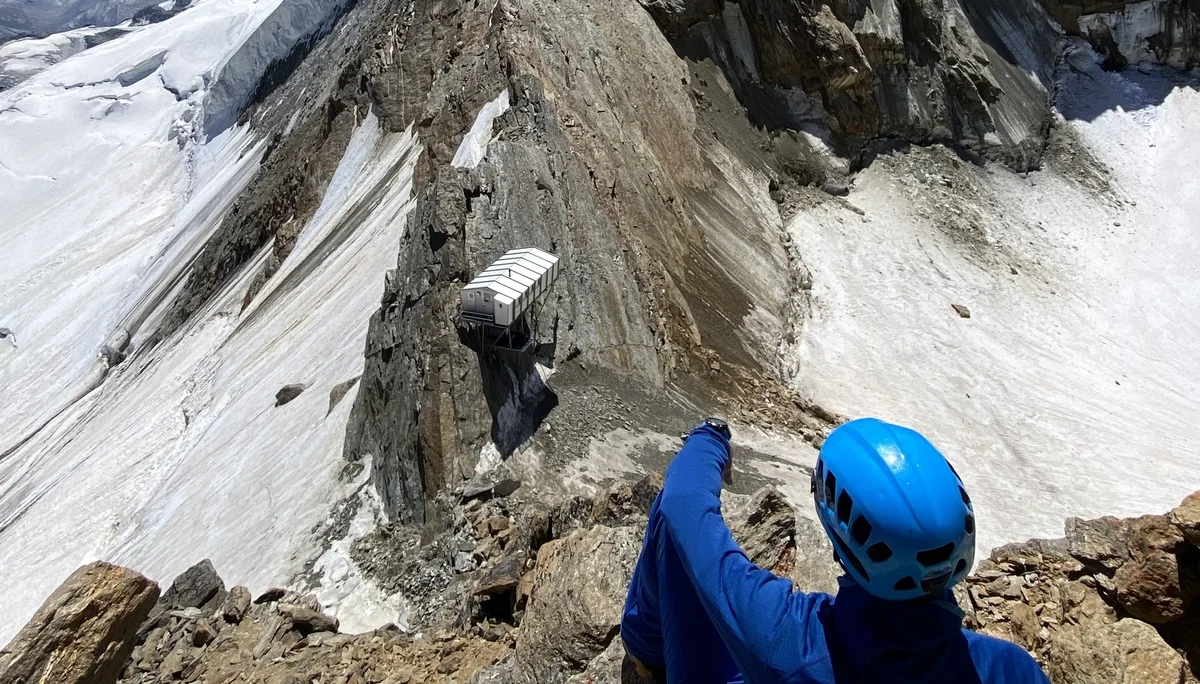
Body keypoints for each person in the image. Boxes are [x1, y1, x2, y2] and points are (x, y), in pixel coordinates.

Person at [621, 417, 1050, 683]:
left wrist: (710, 437)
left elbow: (684, 502)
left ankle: (645, 651)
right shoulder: (1009, 669)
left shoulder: (789, 638)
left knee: (675, 531)